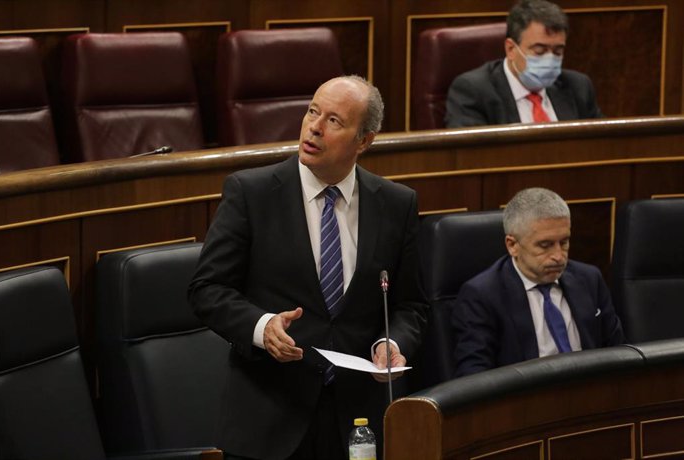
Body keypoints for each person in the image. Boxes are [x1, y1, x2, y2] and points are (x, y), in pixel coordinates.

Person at [188, 75, 428, 460]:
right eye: (313, 111)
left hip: (359, 424)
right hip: (269, 420)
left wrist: (392, 343)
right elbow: (207, 289)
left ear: (364, 140)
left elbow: (411, 305)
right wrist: (261, 326)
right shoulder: (251, 193)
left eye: (334, 121)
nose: (314, 127)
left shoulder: (396, 205)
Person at [451, 187, 624, 377]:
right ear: (513, 245)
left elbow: (618, 353)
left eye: (564, 242)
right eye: (545, 245)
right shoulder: (483, 295)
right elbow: (474, 378)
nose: (558, 256)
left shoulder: (589, 279)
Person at [444, 0, 603, 128]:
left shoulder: (578, 87)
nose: (549, 59)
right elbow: (472, 158)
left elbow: (602, 147)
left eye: (557, 51)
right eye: (540, 50)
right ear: (511, 49)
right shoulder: (474, 91)